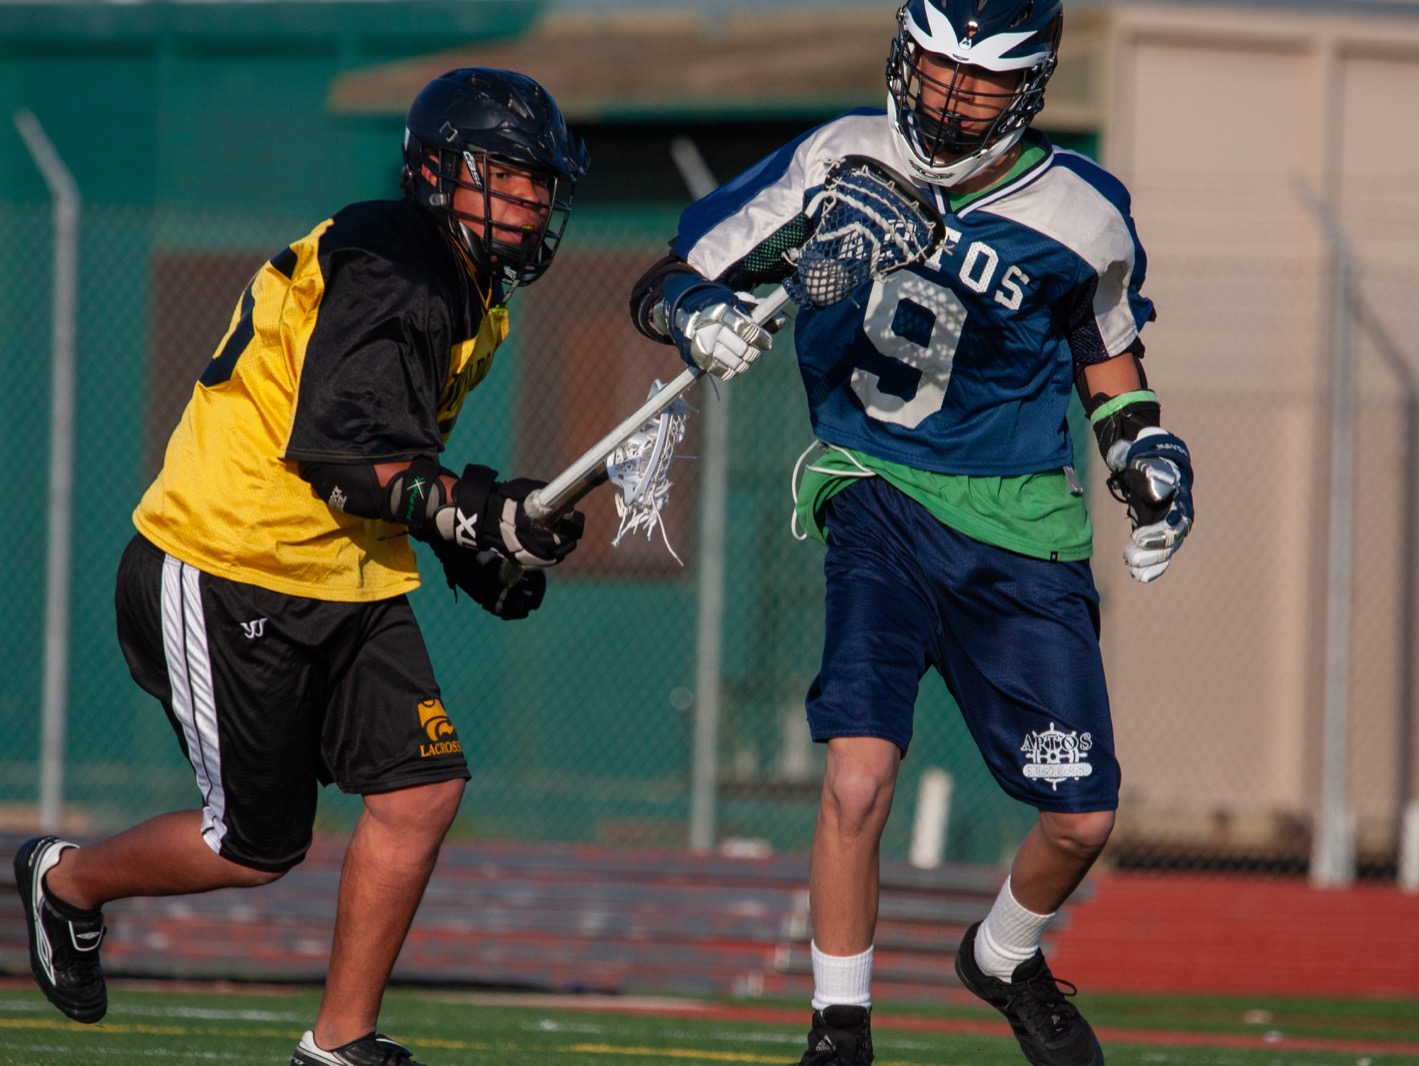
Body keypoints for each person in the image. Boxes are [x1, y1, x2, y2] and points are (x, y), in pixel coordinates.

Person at [628, 2, 1195, 1064]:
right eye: (935, 68)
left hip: (1019, 519)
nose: (947, 98)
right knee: (855, 779)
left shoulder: (1083, 213)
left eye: (980, 81)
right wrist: (695, 312)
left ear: (1029, 87)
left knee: (1080, 817)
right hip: (876, 490)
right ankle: (838, 1028)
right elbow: (672, 273)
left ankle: (1004, 955)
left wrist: (1144, 453)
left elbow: (1108, 357)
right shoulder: (842, 154)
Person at [12, 67, 589, 1066]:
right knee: (252, 847)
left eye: (540, 181)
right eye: (504, 174)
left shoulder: (471, 290)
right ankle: (65, 882)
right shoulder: (396, 268)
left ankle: (339, 1043)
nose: (529, 200)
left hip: (347, 569)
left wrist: (469, 542)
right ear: (435, 171)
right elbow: (339, 458)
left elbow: (395, 457)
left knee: (421, 791)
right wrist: (474, 512)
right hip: (230, 556)